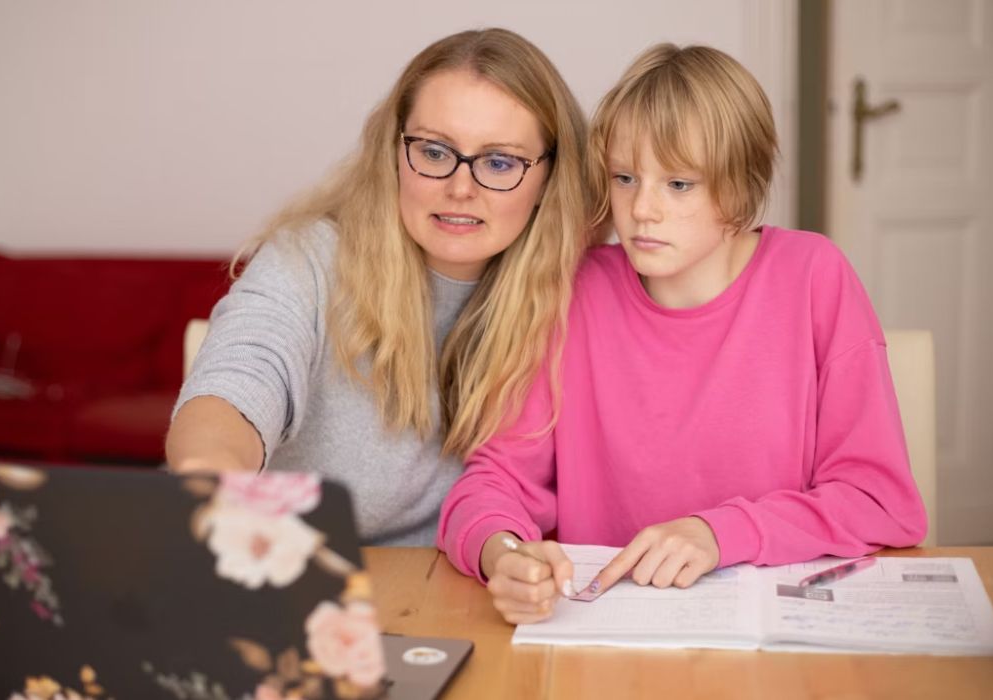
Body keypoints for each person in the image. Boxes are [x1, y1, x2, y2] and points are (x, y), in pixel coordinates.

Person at [438, 43, 928, 623]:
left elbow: (879, 503)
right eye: (625, 177)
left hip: (771, 636)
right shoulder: (574, 290)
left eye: (679, 184)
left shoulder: (813, 276)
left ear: (740, 186)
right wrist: (504, 553)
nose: (643, 208)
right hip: (603, 634)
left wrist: (719, 533)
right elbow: (494, 481)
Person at [166, 28, 595, 546]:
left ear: (550, 175)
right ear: (393, 151)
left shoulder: (580, 292)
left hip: (455, 593)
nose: (461, 188)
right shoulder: (310, 259)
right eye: (435, 152)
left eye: (499, 162)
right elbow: (238, 379)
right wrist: (212, 476)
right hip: (288, 572)